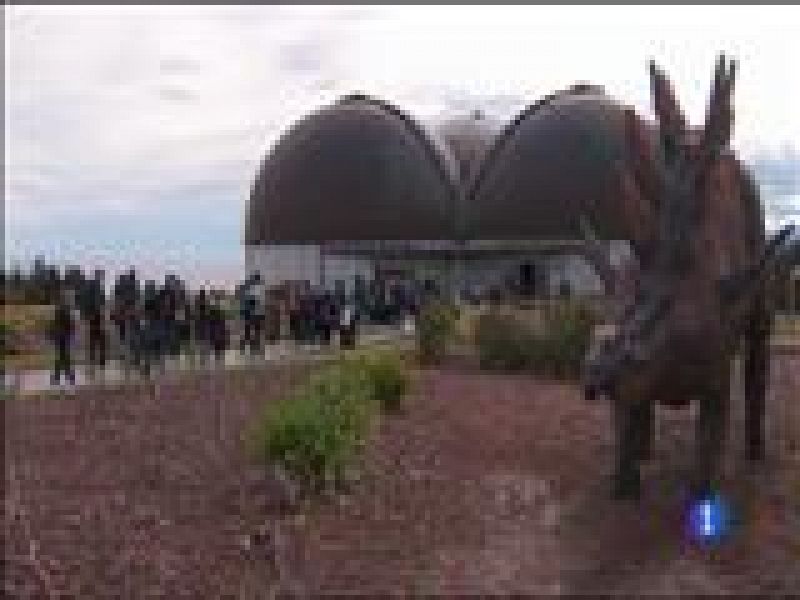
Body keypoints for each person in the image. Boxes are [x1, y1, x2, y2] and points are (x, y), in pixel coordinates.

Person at [79, 269, 107, 370]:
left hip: (97, 315)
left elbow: (101, 302)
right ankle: (96, 359)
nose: (101, 278)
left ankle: (98, 359)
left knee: (97, 338)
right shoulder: (93, 287)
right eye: (100, 276)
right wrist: (87, 314)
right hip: (94, 315)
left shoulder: (98, 287)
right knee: (96, 338)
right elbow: (86, 301)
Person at [49, 288, 77, 385]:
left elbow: (69, 325)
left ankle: (63, 376)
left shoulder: (63, 311)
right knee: (63, 357)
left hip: (63, 336)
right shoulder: (62, 311)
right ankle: (64, 376)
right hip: (62, 336)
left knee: (63, 357)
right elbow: (56, 324)